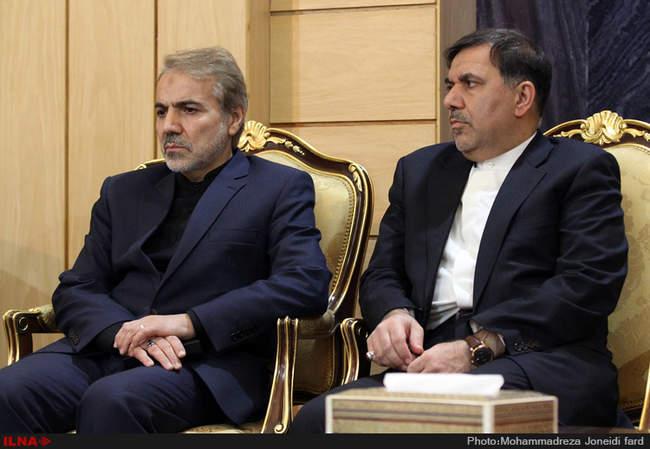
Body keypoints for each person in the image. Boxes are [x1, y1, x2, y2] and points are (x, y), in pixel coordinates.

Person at [290, 28, 630, 432]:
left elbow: (587, 284)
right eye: (449, 85)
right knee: (315, 420)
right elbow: (382, 273)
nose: (451, 100)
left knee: (449, 415)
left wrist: (477, 347)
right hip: (430, 362)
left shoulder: (578, 169)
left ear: (522, 97)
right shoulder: (419, 171)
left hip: (542, 359)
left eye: (469, 84)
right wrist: (394, 313)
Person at [0, 47, 331, 433]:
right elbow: (77, 288)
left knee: (112, 401)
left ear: (233, 118)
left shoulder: (277, 188)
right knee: (9, 390)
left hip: (206, 362)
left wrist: (190, 323)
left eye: (188, 110)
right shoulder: (123, 191)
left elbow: (304, 283)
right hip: (110, 349)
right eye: (161, 111)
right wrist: (123, 332)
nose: (169, 126)